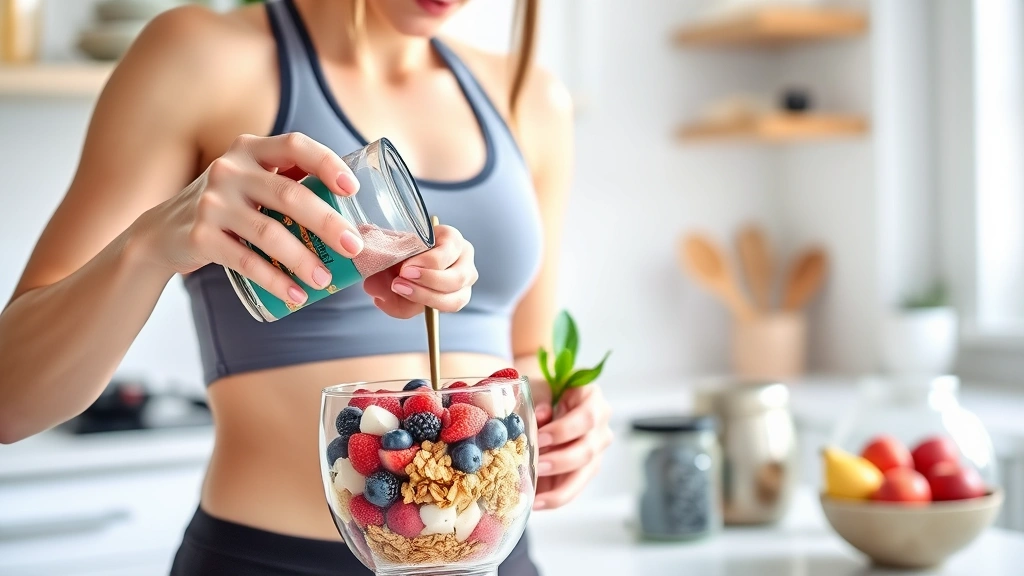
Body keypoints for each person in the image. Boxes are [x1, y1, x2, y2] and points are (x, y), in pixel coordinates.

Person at [0, 0, 613, 573]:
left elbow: (526, 353)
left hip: (491, 557)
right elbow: (12, 400)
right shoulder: (201, 57)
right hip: (267, 560)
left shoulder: (531, 98)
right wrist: (152, 244)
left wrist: (561, 414)